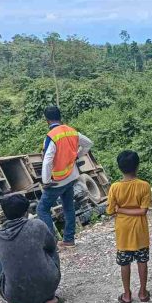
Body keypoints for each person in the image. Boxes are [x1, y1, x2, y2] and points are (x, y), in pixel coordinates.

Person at [0, 194, 62, 303]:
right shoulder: (37, 225)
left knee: (1, 262)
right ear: (26, 212)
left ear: (5, 214)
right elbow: (51, 246)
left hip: (13, 294)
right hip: (48, 286)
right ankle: (49, 299)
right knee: (50, 250)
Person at [37, 105, 94, 248]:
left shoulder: (51, 136)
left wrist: (46, 180)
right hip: (71, 176)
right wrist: (77, 155)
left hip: (57, 181)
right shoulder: (72, 131)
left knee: (42, 209)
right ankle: (69, 239)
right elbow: (88, 144)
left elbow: (47, 160)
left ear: (47, 120)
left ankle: (52, 244)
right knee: (68, 207)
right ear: (60, 117)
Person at [106, 151, 152, 303]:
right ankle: (143, 292)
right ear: (137, 166)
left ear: (120, 168)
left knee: (124, 264)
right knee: (142, 261)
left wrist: (120, 210)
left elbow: (111, 210)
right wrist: (133, 210)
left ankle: (127, 294)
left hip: (123, 232)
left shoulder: (115, 187)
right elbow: (143, 210)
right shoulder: (144, 186)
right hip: (140, 231)